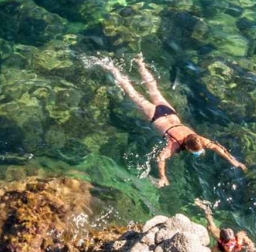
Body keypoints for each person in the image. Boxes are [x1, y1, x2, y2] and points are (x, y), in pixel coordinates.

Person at [93, 55, 246, 186]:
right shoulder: (174, 144)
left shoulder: (198, 139)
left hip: (169, 113)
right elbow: (160, 158)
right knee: (132, 93)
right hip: (156, 116)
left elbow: (218, 148)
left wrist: (234, 161)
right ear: (188, 147)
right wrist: (163, 177)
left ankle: (140, 63)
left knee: (153, 89)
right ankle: (111, 68)